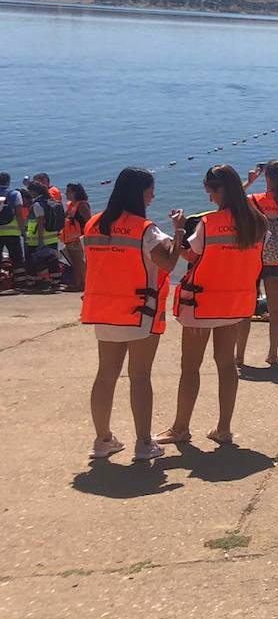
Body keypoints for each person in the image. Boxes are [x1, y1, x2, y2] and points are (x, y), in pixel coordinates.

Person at [157, 165, 265, 447]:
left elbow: (190, 256)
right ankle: (224, 428)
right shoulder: (257, 221)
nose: (209, 199)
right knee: (226, 364)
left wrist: (178, 231)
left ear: (221, 191)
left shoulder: (209, 224)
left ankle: (180, 428)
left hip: (202, 304)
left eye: (211, 193)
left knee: (190, 367)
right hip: (235, 304)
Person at [80, 167, 185, 461]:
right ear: (140, 192)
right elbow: (167, 263)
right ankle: (143, 444)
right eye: (151, 190)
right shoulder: (145, 229)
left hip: (103, 311)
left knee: (105, 376)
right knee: (139, 378)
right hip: (139, 312)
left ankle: (102, 440)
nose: (153, 196)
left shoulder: (93, 225)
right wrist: (178, 232)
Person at [236, 160, 278, 367]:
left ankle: (239, 356)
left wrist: (249, 181)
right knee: (276, 310)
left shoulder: (253, 199)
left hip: (255, 258)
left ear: (266, 178)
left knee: (246, 308)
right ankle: (273, 354)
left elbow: (232, 200)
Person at [62, 182, 92, 295]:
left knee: (80, 262)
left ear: (76, 192)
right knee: (74, 261)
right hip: (70, 238)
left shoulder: (82, 204)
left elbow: (88, 221)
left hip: (80, 238)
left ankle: (83, 283)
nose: (66, 193)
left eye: (68, 191)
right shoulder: (70, 205)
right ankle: (77, 282)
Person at [0, 173, 24, 275]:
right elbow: (19, 214)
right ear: (9, 182)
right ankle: (20, 282)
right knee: (17, 259)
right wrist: (23, 231)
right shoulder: (15, 194)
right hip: (12, 232)